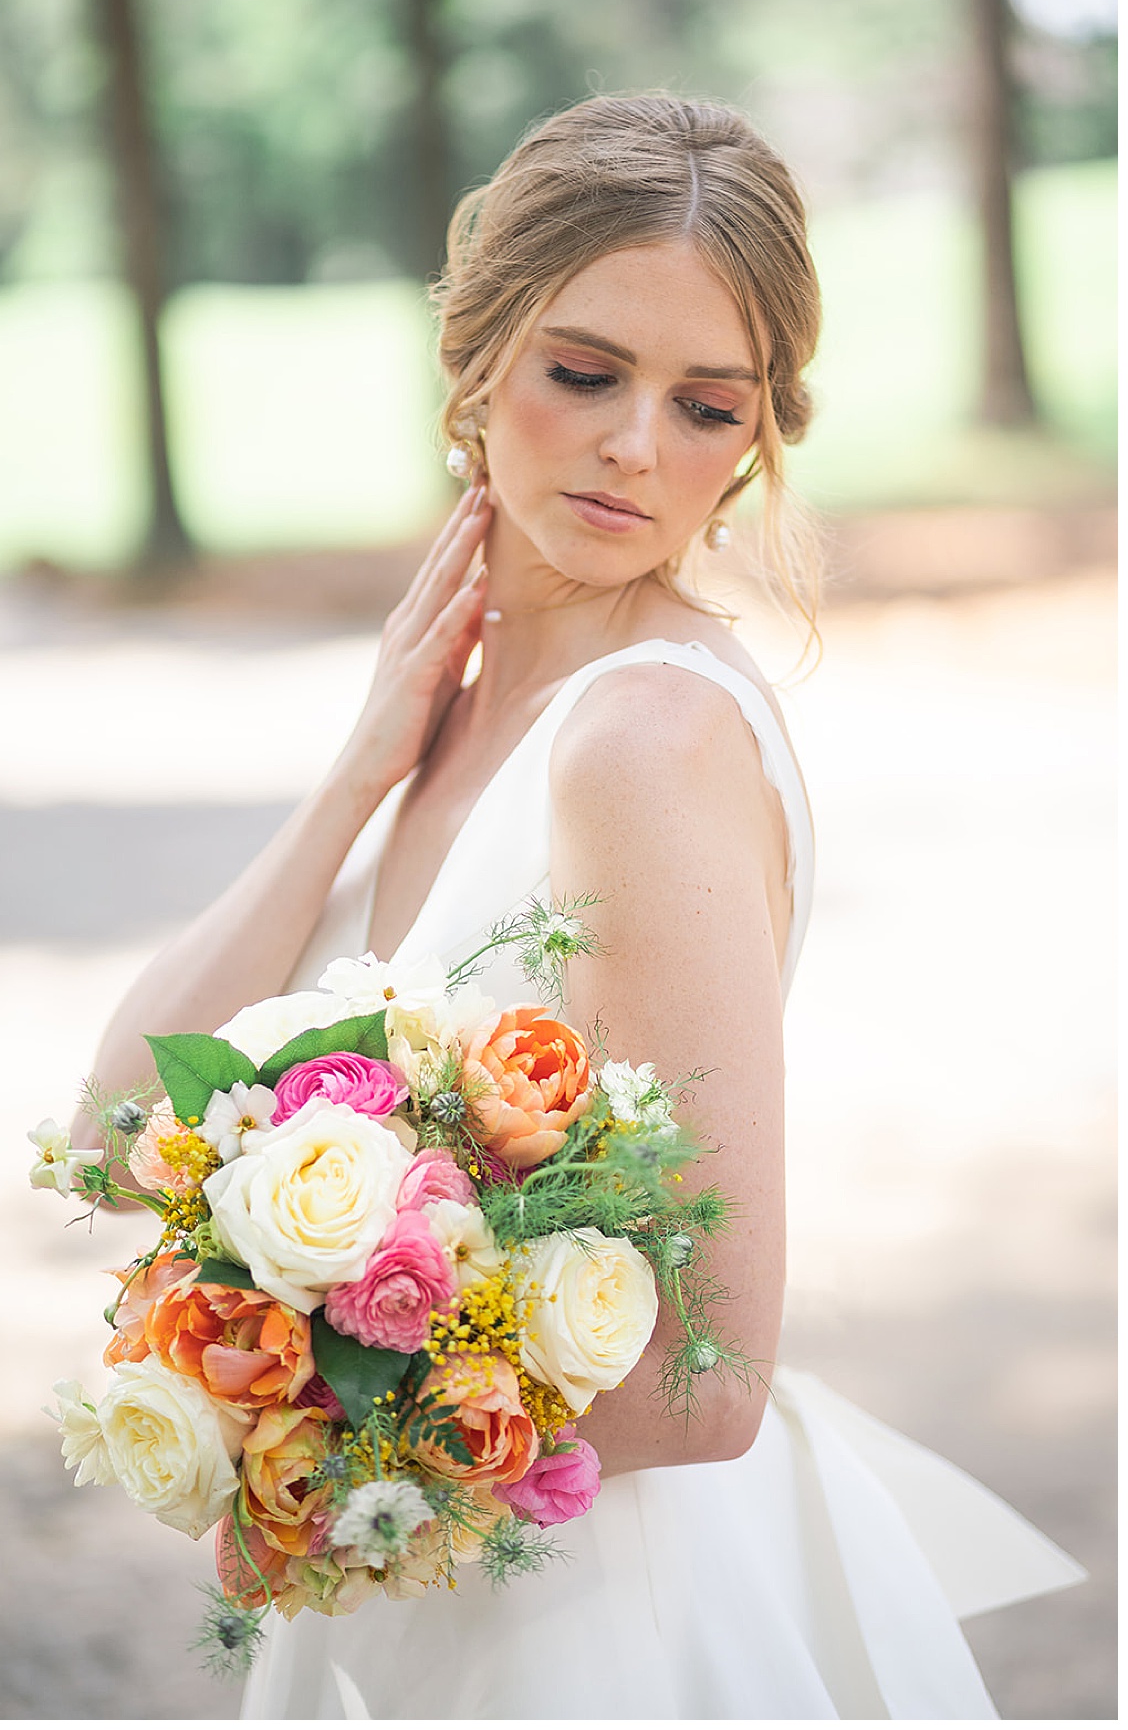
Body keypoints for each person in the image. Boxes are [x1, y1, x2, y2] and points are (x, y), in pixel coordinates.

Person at [80, 93, 1084, 1718]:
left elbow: (711, 1375)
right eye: (585, 371)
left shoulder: (647, 734)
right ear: (477, 361)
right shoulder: (470, 711)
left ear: (760, 438)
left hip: (594, 1620)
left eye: (708, 405)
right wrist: (361, 768)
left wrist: (307, 1438)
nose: (636, 445)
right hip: (431, 1561)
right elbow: (114, 1115)